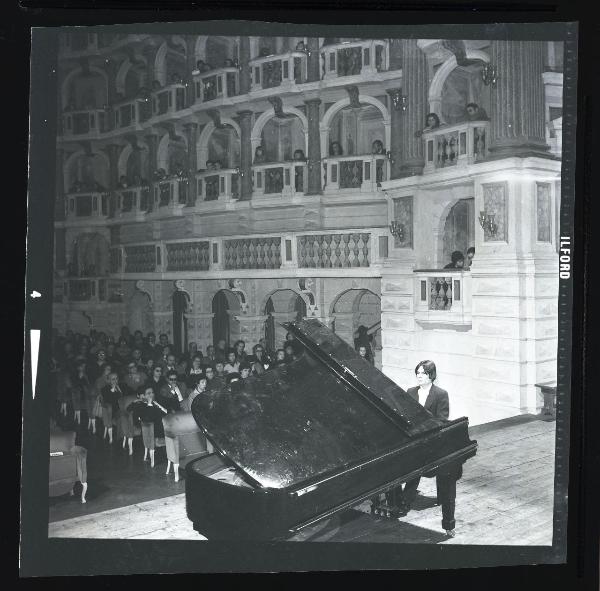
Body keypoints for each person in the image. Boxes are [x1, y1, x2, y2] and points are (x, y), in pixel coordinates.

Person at [402, 360, 459, 537]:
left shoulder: (441, 394)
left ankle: (407, 499)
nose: (419, 376)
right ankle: (404, 501)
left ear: (431, 375)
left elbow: (442, 419)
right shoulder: (411, 392)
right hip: (415, 442)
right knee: (407, 465)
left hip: (434, 443)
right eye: (417, 373)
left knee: (421, 465)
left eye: (423, 373)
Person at [99, 372, 130, 444]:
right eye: (113, 379)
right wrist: (112, 390)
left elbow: (128, 393)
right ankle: (122, 436)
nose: (115, 381)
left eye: (116, 379)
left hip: (124, 408)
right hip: (112, 411)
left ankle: (129, 435)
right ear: (108, 380)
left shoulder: (122, 386)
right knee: (122, 415)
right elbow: (107, 401)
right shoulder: (105, 389)